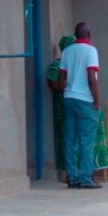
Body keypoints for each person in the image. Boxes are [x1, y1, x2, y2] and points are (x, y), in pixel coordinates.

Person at [58, 22, 103, 189]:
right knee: (86, 140)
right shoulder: (91, 50)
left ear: (76, 35)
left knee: (70, 139)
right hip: (85, 99)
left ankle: (72, 178)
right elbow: (92, 77)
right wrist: (96, 101)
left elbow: (61, 77)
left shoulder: (67, 51)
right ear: (89, 34)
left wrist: (67, 89)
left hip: (69, 98)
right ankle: (85, 178)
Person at [46, 35, 77, 181]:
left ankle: (81, 173)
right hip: (62, 107)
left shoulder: (76, 64)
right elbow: (54, 85)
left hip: (77, 104)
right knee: (65, 139)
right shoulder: (56, 65)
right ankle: (67, 174)